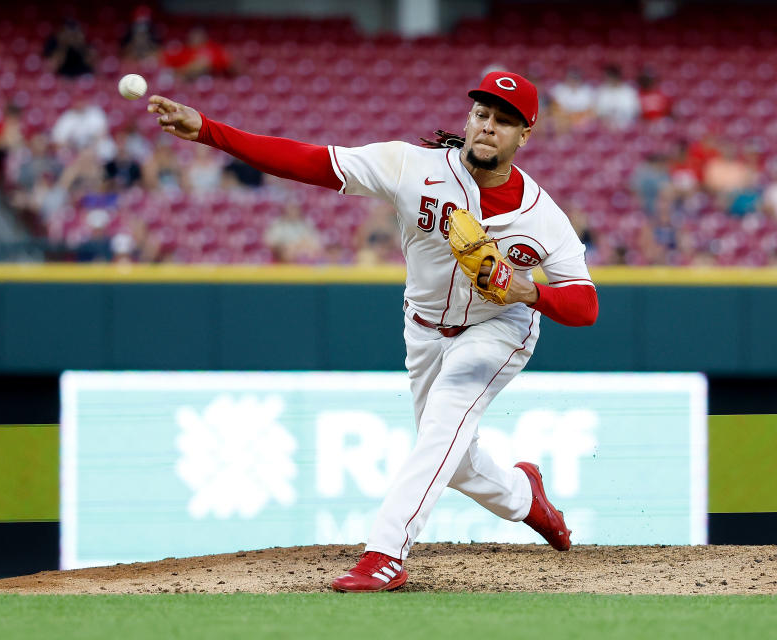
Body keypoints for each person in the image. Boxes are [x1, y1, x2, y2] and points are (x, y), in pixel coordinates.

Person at [147, 70, 598, 592]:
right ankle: (525, 496)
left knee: (442, 425)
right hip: (425, 327)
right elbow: (311, 162)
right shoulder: (412, 166)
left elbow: (585, 305)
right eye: (481, 114)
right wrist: (207, 130)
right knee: (452, 459)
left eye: (504, 121)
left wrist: (527, 290)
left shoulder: (543, 217)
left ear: (525, 136)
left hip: (499, 327)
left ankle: (385, 553)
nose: (487, 127)